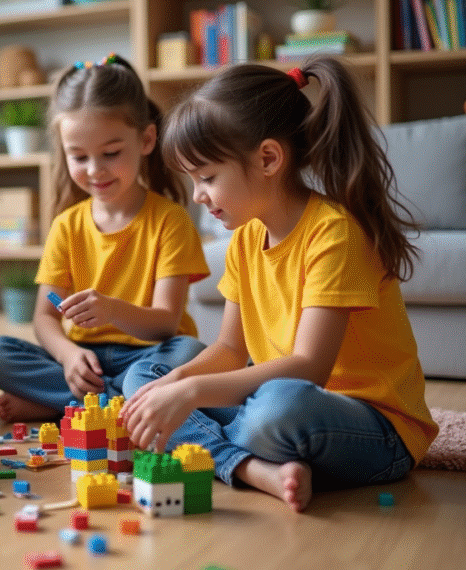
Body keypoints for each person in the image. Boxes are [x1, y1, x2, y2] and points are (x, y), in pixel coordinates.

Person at [119, 58, 439, 512]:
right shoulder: (246, 237)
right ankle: (253, 468)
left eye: (207, 177)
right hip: (278, 408)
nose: (197, 196)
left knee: (276, 406)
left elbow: (310, 368)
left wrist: (189, 395)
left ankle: (224, 453)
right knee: (143, 376)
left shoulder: (334, 233)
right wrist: (173, 384)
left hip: (373, 427)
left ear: (269, 158)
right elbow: (230, 350)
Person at [0, 53, 210, 423]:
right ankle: (114, 407)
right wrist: (69, 356)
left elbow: (166, 323)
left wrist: (112, 310)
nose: (95, 170)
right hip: (84, 358)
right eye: (79, 156)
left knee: (189, 354)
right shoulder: (67, 225)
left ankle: (64, 406)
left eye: (111, 153)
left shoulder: (170, 220)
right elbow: (44, 317)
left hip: (150, 355)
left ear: (147, 139)